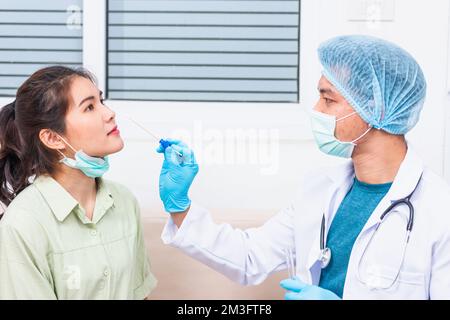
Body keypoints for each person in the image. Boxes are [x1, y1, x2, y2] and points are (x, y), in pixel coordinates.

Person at [156, 35, 450, 299]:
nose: (316, 109)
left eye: (327, 98)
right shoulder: (319, 189)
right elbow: (249, 257)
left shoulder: (440, 212)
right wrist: (180, 207)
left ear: (377, 108)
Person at [0, 66, 156, 299]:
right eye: (90, 107)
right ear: (53, 138)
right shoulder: (23, 224)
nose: (109, 113)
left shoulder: (124, 201)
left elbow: (139, 294)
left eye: (101, 100)